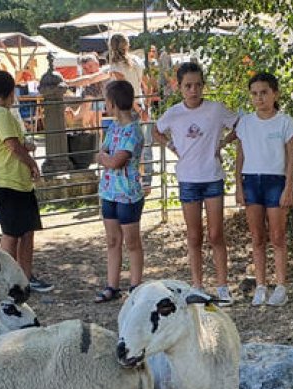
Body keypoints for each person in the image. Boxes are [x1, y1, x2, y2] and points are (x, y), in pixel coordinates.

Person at [154, 62, 239, 305]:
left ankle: (222, 286)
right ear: (179, 87)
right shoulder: (174, 113)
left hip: (212, 176)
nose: (193, 90)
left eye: (198, 85)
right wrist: (171, 146)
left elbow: (238, 124)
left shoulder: (215, 109)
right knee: (194, 235)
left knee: (216, 233)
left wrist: (222, 143)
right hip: (188, 179)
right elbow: (156, 131)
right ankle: (197, 285)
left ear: (203, 86)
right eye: (188, 86)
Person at [0, 70, 53, 292]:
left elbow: (16, 142)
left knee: (26, 232)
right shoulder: (1, 114)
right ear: (11, 91)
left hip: (17, 183)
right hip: (8, 183)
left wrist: (27, 147)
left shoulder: (0, 113)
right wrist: (32, 163)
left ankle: (25, 277)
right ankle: (7, 281)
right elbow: (13, 147)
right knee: (11, 235)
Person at [235, 73, 293, 307]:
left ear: (275, 94)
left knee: (278, 236)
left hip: (276, 181)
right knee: (257, 236)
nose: (259, 98)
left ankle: (281, 286)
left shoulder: (285, 122)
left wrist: (288, 187)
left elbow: (292, 158)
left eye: (264, 92)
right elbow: (239, 156)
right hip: (252, 181)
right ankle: (260, 285)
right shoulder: (245, 123)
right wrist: (239, 186)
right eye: (254, 94)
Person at [93, 80, 145, 303]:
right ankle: (112, 285)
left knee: (132, 241)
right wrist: (107, 159)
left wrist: (106, 159)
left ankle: (135, 285)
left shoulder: (133, 130)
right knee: (112, 240)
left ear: (113, 103)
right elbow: (104, 154)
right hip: (109, 191)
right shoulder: (113, 127)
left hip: (128, 193)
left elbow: (115, 160)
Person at [107, 34, 155, 191]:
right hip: (141, 103)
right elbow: (148, 85)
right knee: (145, 143)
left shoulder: (116, 66)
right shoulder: (137, 60)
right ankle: (147, 180)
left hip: (129, 107)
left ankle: (132, 180)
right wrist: (146, 107)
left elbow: (125, 90)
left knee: (127, 146)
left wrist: (138, 109)